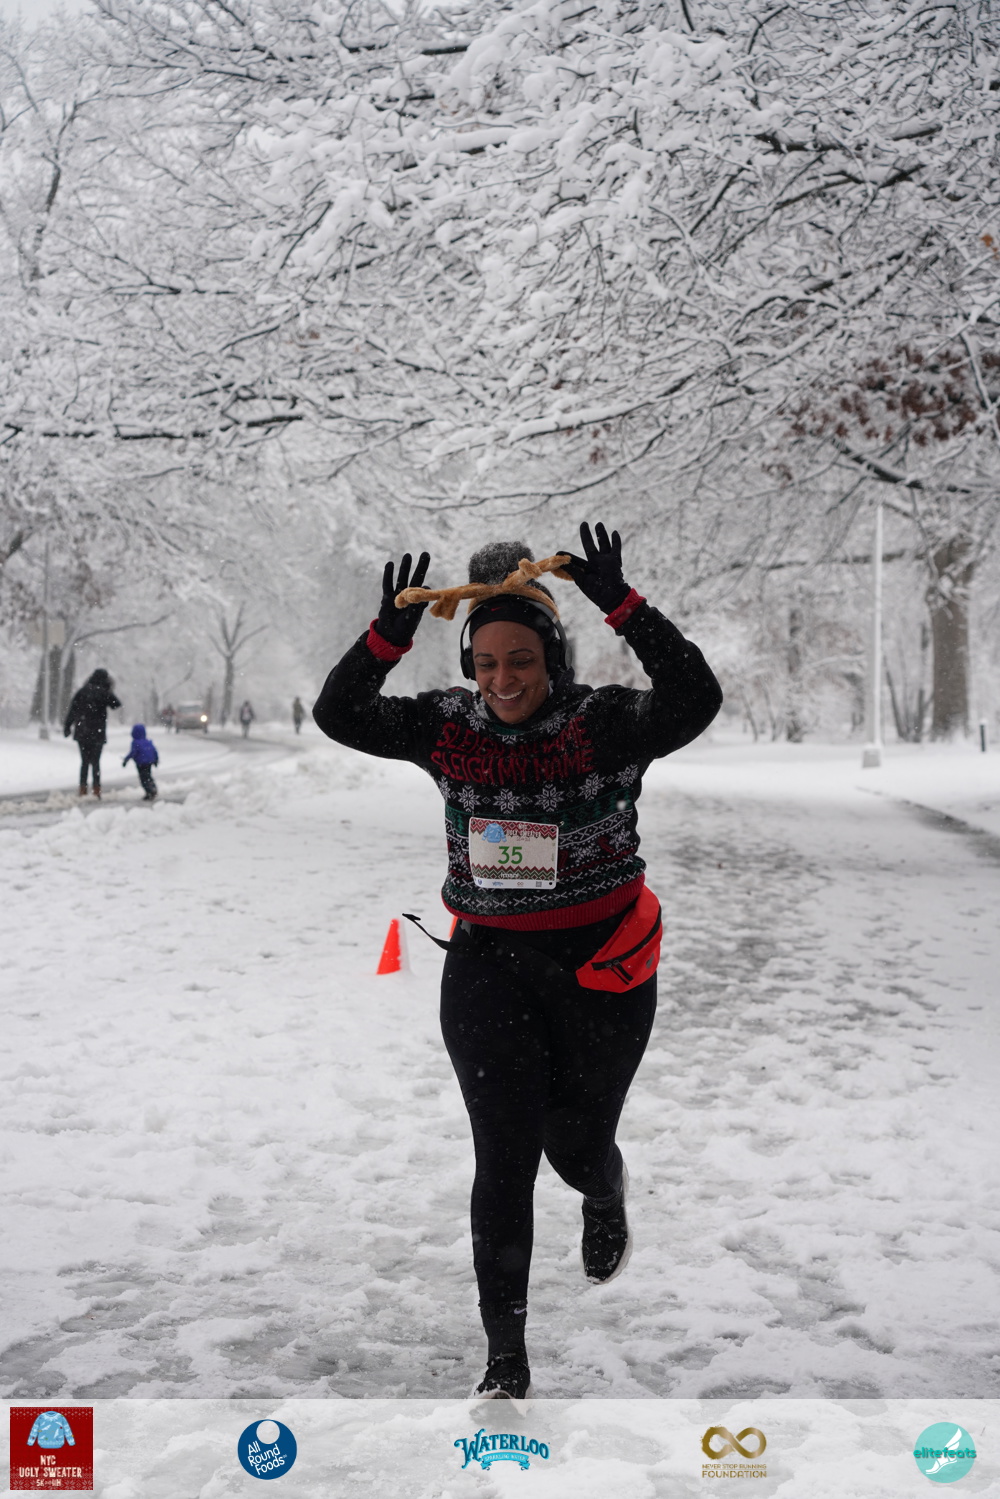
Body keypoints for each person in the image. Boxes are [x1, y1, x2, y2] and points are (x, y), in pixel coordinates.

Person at [312, 524, 722, 1402]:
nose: (503, 680)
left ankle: (603, 1187)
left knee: (574, 1146)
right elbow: (339, 713)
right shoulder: (446, 727)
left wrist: (624, 604)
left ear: (553, 659)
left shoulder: (603, 724)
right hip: (488, 966)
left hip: (600, 969)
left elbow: (695, 697)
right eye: (487, 663)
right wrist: (386, 636)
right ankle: (505, 1357)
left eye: (522, 661)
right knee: (503, 1158)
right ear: (469, 663)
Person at [63, 667, 121, 798]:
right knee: (96, 762)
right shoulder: (104, 693)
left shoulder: (82, 691)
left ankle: (83, 788)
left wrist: (67, 727)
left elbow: (72, 710)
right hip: (97, 732)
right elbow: (116, 704)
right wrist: (109, 688)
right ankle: (96, 789)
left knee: (84, 761)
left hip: (82, 731)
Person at [122, 723, 159, 800]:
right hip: (149, 762)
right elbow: (154, 751)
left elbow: (133, 753)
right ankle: (152, 788)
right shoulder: (148, 741)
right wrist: (156, 760)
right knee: (148, 776)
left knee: (143, 778)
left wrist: (126, 760)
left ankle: (149, 792)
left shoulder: (135, 742)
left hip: (141, 763)